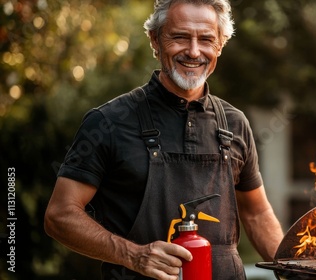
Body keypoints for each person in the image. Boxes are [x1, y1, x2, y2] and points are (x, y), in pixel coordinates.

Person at [44, 0, 284, 279]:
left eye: (206, 39)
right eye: (180, 37)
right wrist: (133, 255)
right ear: (155, 40)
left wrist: (294, 270)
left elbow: (256, 214)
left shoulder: (235, 123)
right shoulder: (108, 122)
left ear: (220, 45)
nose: (194, 51)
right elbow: (60, 215)